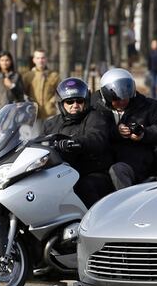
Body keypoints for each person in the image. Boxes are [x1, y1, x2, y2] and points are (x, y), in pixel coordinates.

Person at [97, 68, 157, 189]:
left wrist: (144, 133)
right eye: (116, 99)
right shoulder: (96, 109)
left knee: (118, 170)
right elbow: (92, 132)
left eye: (125, 97)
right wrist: (116, 131)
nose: (122, 102)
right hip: (100, 165)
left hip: (136, 165)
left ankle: (125, 206)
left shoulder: (148, 106)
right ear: (106, 96)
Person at [41, 78, 115, 208]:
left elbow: (96, 138)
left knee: (84, 186)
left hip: (91, 171)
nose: (74, 105)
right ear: (61, 103)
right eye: (69, 101)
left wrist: (73, 143)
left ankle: (92, 225)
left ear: (85, 101)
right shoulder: (51, 123)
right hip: (60, 173)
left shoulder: (95, 117)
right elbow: (40, 142)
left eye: (79, 101)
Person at [0, 50, 25, 124]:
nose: (4, 63)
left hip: (13, 113)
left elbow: (21, 95)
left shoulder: (17, 76)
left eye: (7, 60)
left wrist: (12, 86)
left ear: (11, 61)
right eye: (2, 60)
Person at [22, 49, 60, 124]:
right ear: (34, 60)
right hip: (33, 114)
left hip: (50, 113)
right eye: (38, 58)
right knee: (36, 135)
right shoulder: (28, 76)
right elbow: (23, 93)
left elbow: (59, 92)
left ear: (46, 59)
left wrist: (52, 102)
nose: (40, 60)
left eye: (43, 58)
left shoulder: (54, 75)